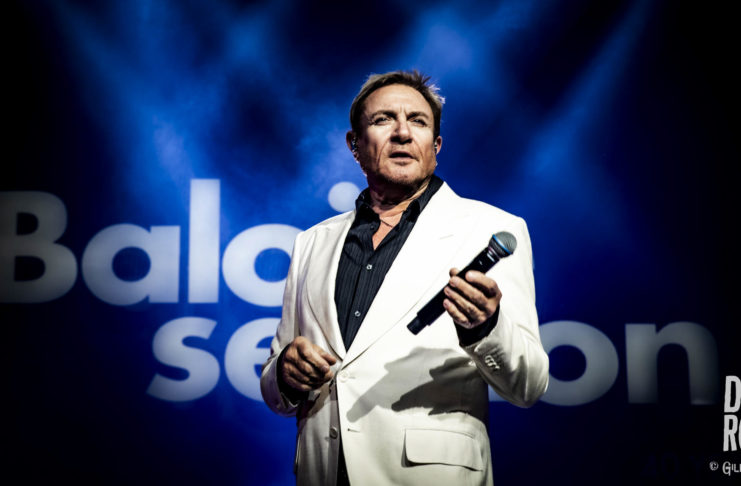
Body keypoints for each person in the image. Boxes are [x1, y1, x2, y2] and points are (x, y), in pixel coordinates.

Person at [261, 70, 549, 486]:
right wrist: (286, 374)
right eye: (383, 120)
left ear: (436, 146)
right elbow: (275, 384)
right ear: (354, 145)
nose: (401, 132)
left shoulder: (489, 229)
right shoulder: (312, 242)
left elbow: (529, 384)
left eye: (418, 121)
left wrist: (486, 328)